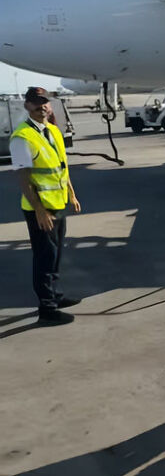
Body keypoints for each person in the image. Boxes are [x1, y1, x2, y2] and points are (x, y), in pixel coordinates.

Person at [10, 87, 82, 325]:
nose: (42, 106)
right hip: (39, 208)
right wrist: (39, 210)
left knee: (56, 254)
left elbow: (62, 166)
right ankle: (47, 309)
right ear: (27, 106)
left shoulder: (52, 130)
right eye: (36, 103)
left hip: (58, 203)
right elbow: (23, 177)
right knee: (44, 257)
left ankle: (55, 295)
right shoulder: (22, 137)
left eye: (45, 102)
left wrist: (71, 194)